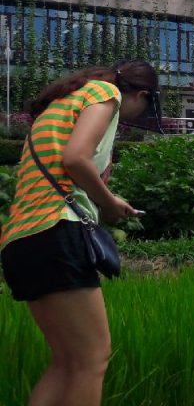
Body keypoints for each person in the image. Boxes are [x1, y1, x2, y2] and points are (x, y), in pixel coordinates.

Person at [0, 61, 160, 406]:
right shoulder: (106, 94)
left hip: (21, 239)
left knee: (67, 362)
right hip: (56, 231)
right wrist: (109, 205)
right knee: (92, 359)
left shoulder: (65, 103)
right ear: (142, 94)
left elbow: (69, 164)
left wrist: (102, 184)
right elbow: (75, 159)